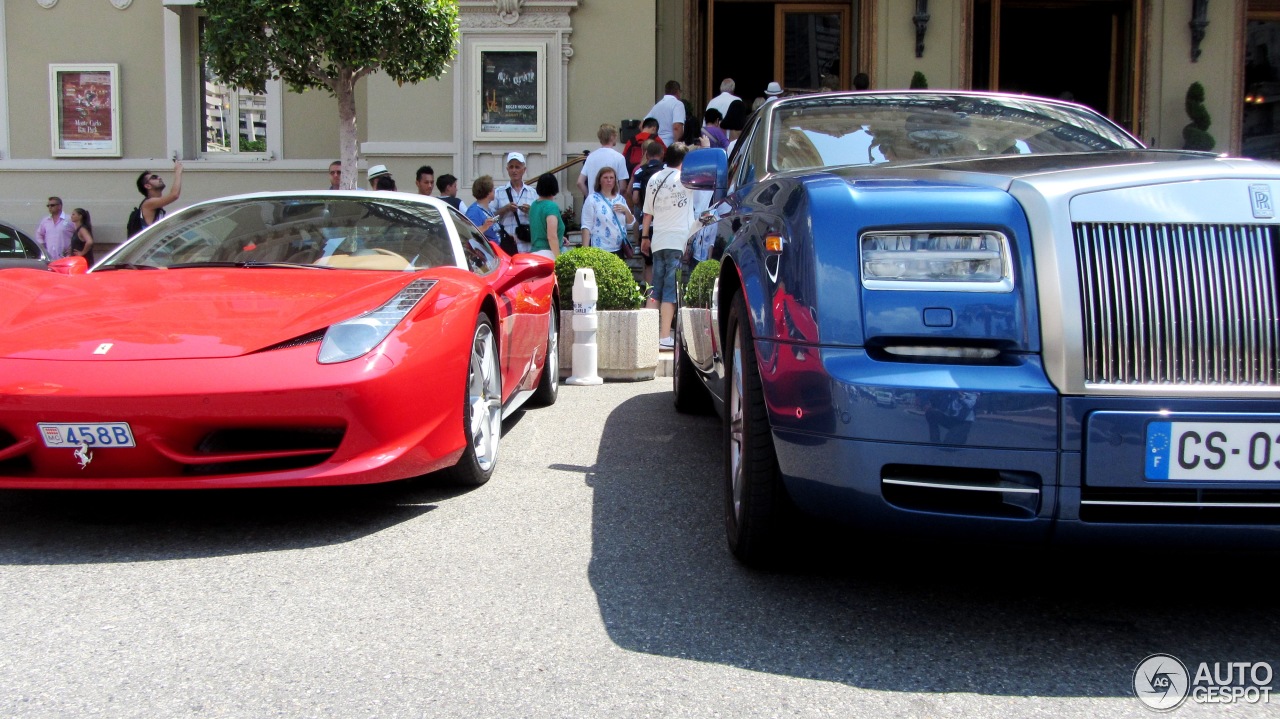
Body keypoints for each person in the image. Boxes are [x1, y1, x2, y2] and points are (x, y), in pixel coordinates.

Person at [641, 143, 698, 349]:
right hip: (677, 240)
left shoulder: (654, 178)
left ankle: (647, 335)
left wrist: (645, 236)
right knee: (670, 290)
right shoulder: (686, 179)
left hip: (658, 240)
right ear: (684, 161)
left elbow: (647, 213)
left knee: (655, 287)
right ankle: (664, 336)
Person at [630, 140, 667, 285]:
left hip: (647, 223)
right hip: (665, 222)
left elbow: (634, 197)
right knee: (665, 261)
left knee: (649, 263)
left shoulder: (640, 171)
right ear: (662, 154)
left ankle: (650, 296)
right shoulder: (666, 169)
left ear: (646, 154)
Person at [579, 166, 634, 257]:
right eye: (605, 177)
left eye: (611, 178)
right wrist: (585, 252)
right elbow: (586, 226)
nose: (609, 180)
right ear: (599, 180)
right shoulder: (592, 199)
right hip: (600, 249)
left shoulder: (620, 199)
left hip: (619, 248)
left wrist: (626, 211)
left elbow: (631, 223)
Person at [490, 152, 538, 253]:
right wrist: (505, 209)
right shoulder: (499, 192)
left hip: (527, 245)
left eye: (517, 167)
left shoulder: (532, 192)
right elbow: (490, 217)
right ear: (507, 169)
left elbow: (540, 219)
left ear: (524, 170)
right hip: (507, 245)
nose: (514, 170)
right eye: (511, 167)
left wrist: (531, 211)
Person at [577, 123, 629, 201]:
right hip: (612, 202)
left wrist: (589, 196)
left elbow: (580, 182)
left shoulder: (591, 157)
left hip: (594, 202)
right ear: (612, 137)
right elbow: (622, 187)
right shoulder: (619, 158)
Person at [136, 161, 184, 229]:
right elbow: (174, 195)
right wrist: (178, 172)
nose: (159, 178)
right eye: (154, 177)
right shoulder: (149, 203)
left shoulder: (156, 204)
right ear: (147, 186)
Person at [528, 173, 565, 260]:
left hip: (534, 252)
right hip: (548, 254)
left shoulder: (534, 205)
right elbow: (551, 236)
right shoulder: (551, 207)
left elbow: (540, 228)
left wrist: (561, 237)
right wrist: (558, 259)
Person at [645, 80, 686, 145]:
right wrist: (676, 144)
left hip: (656, 144)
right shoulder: (678, 104)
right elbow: (677, 127)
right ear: (678, 91)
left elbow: (642, 125)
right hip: (670, 143)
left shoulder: (657, 106)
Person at [465, 175, 501, 245]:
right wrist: (484, 227)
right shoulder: (474, 211)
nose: (494, 190)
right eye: (493, 188)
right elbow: (470, 234)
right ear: (488, 192)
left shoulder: (488, 209)